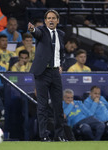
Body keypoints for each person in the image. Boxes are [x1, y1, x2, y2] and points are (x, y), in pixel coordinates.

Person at [28, 9, 66, 141]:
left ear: (57, 20)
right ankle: (44, 136)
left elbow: (61, 52)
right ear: (45, 21)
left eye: (53, 18)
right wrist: (32, 30)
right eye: (48, 18)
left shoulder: (61, 34)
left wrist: (60, 64)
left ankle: (60, 135)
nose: (51, 20)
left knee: (58, 106)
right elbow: (36, 33)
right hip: (42, 73)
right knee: (42, 106)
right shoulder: (41, 31)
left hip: (55, 73)